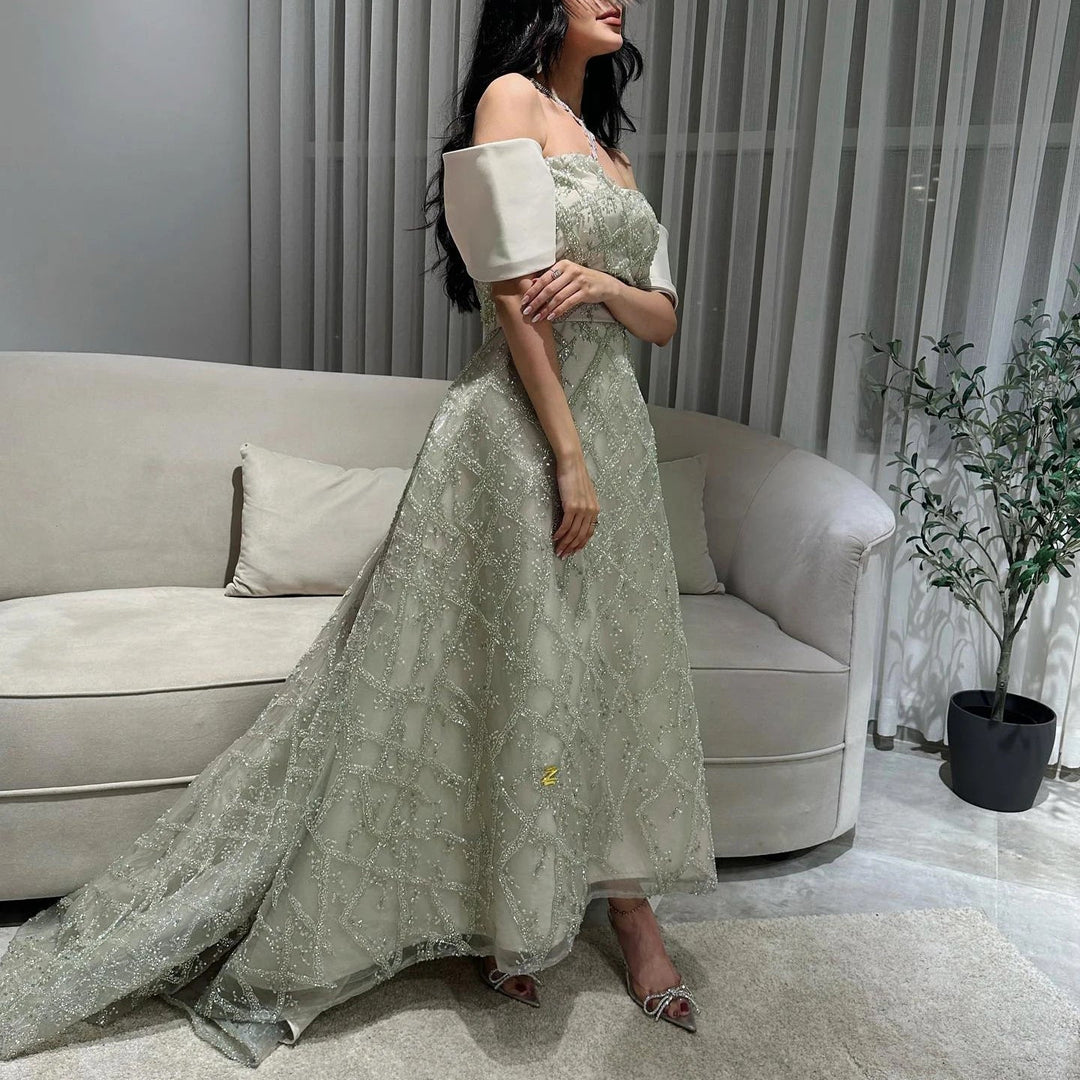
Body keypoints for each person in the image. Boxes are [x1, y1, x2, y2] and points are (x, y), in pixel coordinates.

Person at [0, 0, 718, 1067]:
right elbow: (509, 294)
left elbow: (664, 315)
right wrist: (565, 455)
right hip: (519, 437)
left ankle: (628, 914)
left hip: (614, 426)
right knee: (501, 669)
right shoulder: (509, 99)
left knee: (605, 671)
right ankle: (507, 915)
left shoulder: (611, 152)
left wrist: (609, 287)